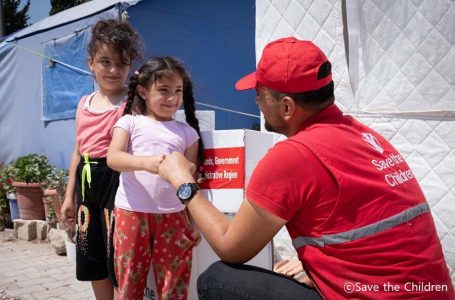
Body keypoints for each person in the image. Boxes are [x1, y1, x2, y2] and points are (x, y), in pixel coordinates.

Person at [157, 37, 455, 299]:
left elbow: (231, 246)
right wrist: (317, 266)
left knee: (217, 280)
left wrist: (185, 184)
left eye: (259, 93)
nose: (256, 101)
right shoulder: (364, 135)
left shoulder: (294, 155)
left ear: (286, 107)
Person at [106, 56, 203, 300]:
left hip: (174, 216)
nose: (172, 98)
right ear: (143, 91)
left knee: (175, 283)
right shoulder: (129, 122)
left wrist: (194, 223)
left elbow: (192, 177)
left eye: (177, 91)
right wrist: (146, 163)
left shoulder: (187, 132)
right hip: (131, 213)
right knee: (129, 282)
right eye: (163, 90)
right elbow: (113, 158)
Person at [60, 19, 142, 300]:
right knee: (91, 255)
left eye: (121, 63)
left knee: (116, 254)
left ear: (130, 66)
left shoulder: (132, 104)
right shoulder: (83, 104)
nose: (113, 70)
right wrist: (69, 196)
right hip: (87, 184)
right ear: (90, 63)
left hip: (116, 183)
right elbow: (77, 150)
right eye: (105, 61)